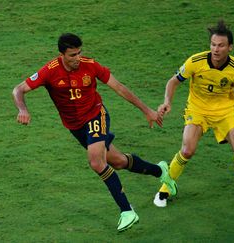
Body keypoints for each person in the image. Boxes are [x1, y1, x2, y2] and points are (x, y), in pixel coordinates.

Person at [12, 33, 177, 231]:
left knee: (96, 161)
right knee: (118, 161)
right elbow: (18, 90)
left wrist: (147, 110)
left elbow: (119, 88)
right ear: (61, 54)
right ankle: (161, 171)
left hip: (96, 115)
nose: (77, 58)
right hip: (76, 127)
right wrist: (22, 109)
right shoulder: (50, 71)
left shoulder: (90, 65)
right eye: (72, 55)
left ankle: (127, 211)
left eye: (79, 53)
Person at [153, 20, 234, 208]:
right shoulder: (195, 62)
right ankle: (165, 188)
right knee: (187, 150)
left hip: (224, 112)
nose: (216, 49)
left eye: (221, 45)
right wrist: (167, 102)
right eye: (213, 44)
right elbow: (173, 82)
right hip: (197, 110)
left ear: (230, 47)